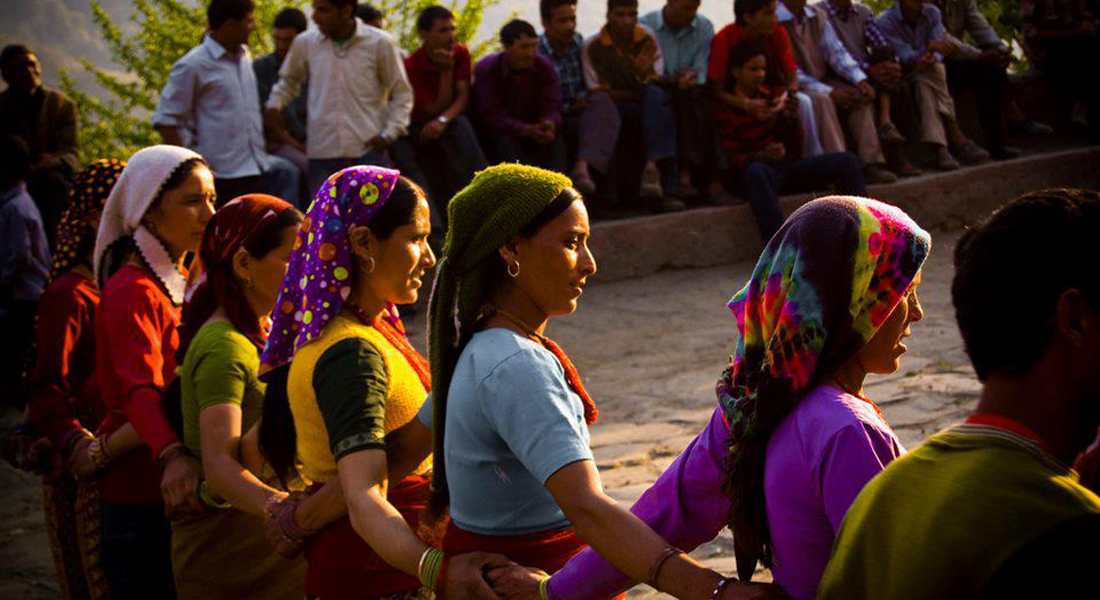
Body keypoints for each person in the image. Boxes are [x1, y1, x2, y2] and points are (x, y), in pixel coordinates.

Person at [496, 195, 929, 600]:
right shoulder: (847, 431)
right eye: (902, 292)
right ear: (853, 301)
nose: (917, 312)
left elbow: (662, 516)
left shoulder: (751, 407)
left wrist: (550, 593)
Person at [419, 163, 784, 600]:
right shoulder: (516, 365)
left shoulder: (477, 348)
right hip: (533, 580)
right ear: (512, 249)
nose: (590, 264)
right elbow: (587, 508)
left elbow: (395, 454)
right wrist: (712, 590)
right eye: (572, 243)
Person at [819, 188, 1100, 599]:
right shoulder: (1060, 526)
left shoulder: (884, 498)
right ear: (1074, 320)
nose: (916, 313)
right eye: (902, 296)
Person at [257, 166, 509, 599]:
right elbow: (365, 493)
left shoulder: (365, 336)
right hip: (381, 577)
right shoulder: (349, 353)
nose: (429, 257)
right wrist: (436, 570)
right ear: (363, 243)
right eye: (415, 238)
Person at [4, 159, 132, 600]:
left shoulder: (124, 287)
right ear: (99, 216)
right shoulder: (70, 296)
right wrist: (78, 445)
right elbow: (47, 387)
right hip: (80, 468)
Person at [92, 145, 215, 598]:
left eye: (211, 198)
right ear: (147, 210)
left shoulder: (171, 284)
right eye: (191, 200)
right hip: (142, 488)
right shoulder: (135, 291)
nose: (208, 213)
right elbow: (141, 389)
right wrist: (173, 455)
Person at [171, 194, 307, 598]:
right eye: (290, 257)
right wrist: (287, 511)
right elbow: (219, 466)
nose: (304, 270)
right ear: (245, 264)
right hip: (234, 563)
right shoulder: (224, 345)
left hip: (267, 553)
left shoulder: (265, 329)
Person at [153, 0, 300, 207]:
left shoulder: (243, 56)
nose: (253, 27)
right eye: (249, 21)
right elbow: (167, 119)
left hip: (256, 165)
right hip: (222, 173)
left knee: (288, 173)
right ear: (230, 25)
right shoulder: (193, 64)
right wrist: (191, 168)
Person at [715, 44, 866, 241]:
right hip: (756, 178)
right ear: (736, 72)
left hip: (782, 169)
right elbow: (733, 161)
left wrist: (790, 121)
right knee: (757, 172)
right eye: (753, 69)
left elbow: (794, 148)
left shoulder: (773, 97)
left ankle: (863, 235)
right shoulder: (726, 110)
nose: (760, 74)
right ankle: (781, 249)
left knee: (846, 161)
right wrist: (761, 156)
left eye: (762, 69)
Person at [265, 0, 414, 196]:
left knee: (376, 222)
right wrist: (273, 106)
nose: (315, 17)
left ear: (346, 11)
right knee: (325, 222)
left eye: (323, 10)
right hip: (323, 154)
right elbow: (288, 83)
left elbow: (402, 93)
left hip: (369, 152)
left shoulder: (379, 43)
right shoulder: (306, 43)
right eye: (315, 9)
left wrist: (389, 133)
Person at [778, 0, 898, 184]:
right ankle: (839, 167)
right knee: (823, 101)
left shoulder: (816, 16)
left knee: (860, 96)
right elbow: (791, 72)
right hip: (795, 86)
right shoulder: (776, 21)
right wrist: (830, 91)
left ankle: (872, 163)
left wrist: (860, 80)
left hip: (822, 80)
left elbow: (837, 54)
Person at [389, 5, 487, 223]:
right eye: (443, 30)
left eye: (451, 29)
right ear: (424, 34)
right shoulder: (412, 65)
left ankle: (483, 193)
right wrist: (445, 72)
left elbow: (462, 96)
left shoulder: (460, 53)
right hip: (420, 128)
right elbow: (432, 108)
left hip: (447, 121)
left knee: (461, 127)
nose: (450, 36)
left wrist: (443, 120)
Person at [583, 0, 682, 211]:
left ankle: (654, 169)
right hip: (615, 106)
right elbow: (599, 91)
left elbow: (655, 78)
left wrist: (642, 75)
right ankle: (619, 194)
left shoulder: (645, 36)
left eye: (632, 15)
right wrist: (637, 80)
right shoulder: (593, 45)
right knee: (649, 106)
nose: (627, 21)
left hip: (646, 100)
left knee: (658, 101)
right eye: (620, 15)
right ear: (609, 15)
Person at [875, 0, 990, 170]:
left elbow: (942, 46)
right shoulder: (885, 22)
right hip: (903, 74)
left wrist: (931, 55)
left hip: (926, 72)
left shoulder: (932, 13)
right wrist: (928, 50)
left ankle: (940, 148)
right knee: (934, 72)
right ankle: (955, 134)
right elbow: (904, 56)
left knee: (928, 78)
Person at [710, 0, 826, 160]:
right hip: (734, 100)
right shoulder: (724, 39)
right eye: (768, 14)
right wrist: (746, 104)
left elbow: (791, 75)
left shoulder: (777, 33)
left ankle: (811, 159)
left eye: (774, 12)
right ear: (748, 17)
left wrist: (785, 97)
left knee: (803, 102)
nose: (775, 18)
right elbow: (715, 90)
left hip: (768, 95)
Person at [818, 0, 920, 177]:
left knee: (892, 73)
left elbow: (881, 41)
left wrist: (890, 65)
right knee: (862, 96)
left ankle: (896, 144)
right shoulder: (819, 14)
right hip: (838, 75)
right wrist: (868, 70)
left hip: (867, 74)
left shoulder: (862, 12)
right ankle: (874, 162)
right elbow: (835, 56)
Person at [640, 0, 727, 203]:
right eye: (687, 7)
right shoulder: (646, 25)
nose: (692, 13)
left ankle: (691, 178)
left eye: (695, 8)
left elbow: (701, 72)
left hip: (690, 90)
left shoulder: (704, 26)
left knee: (697, 101)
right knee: (670, 99)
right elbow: (647, 72)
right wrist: (674, 79)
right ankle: (690, 179)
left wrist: (689, 78)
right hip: (657, 89)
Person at [538, 0, 622, 201]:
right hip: (553, 113)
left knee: (603, 103)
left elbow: (588, 81)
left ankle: (583, 166)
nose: (569, 26)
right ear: (546, 23)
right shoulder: (538, 52)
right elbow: (543, 97)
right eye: (562, 21)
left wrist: (582, 100)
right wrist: (567, 107)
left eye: (572, 19)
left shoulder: (578, 43)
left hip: (579, 108)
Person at [0, 44, 78, 247]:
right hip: (10, 178)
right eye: (20, 67)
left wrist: (55, 161)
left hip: (51, 179)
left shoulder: (62, 105)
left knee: (56, 185)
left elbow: (71, 152)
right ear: (6, 74)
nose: (29, 71)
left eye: (32, 64)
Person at [930, 0, 1024, 159]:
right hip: (933, 62)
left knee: (992, 69)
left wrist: (999, 49)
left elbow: (980, 27)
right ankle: (1012, 119)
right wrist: (979, 56)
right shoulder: (925, 5)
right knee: (984, 67)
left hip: (957, 56)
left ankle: (998, 142)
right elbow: (944, 40)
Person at [473, 20, 566, 172]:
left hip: (534, 128)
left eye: (533, 46)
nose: (530, 53)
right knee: (504, 141)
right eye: (524, 47)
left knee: (556, 137)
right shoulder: (488, 70)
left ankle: (560, 188)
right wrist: (525, 129)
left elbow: (552, 103)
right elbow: (491, 115)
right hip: (501, 133)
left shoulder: (543, 67)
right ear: (507, 47)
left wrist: (550, 122)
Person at [0, 135, 50, 404]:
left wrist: (3, 283)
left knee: (18, 351)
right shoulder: (20, 202)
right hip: (27, 294)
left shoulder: (15, 208)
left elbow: (18, 255)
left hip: (26, 295)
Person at [1021, 0, 1100, 137]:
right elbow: (1031, 33)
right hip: (1052, 48)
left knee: (1086, 47)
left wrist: (1089, 26)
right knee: (1084, 50)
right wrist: (1072, 33)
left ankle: (1084, 109)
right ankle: (1083, 109)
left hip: (1081, 43)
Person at [254, 7, 311, 187]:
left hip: (316, 140)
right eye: (277, 39)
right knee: (309, 166)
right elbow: (272, 126)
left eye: (287, 40)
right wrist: (300, 148)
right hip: (282, 144)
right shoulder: (262, 69)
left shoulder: (315, 65)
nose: (281, 46)